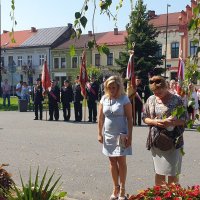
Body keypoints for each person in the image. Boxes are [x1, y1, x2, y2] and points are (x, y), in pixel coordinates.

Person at [143, 75, 186, 186]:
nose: (157, 95)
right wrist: (155, 122)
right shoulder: (151, 99)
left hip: (174, 142)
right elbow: (145, 118)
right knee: (159, 172)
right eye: (155, 92)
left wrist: (172, 122)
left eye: (159, 92)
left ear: (166, 87)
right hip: (157, 141)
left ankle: (172, 196)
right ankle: (159, 196)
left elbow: (184, 120)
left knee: (173, 172)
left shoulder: (177, 100)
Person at [98, 75, 132, 200]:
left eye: (114, 87)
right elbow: (100, 118)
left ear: (118, 87)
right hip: (108, 135)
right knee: (112, 161)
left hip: (122, 135)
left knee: (121, 162)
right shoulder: (104, 99)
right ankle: (115, 188)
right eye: (109, 87)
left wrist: (130, 136)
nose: (112, 89)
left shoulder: (124, 99)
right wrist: (99, 133)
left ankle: (123, 189)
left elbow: (129, 118)